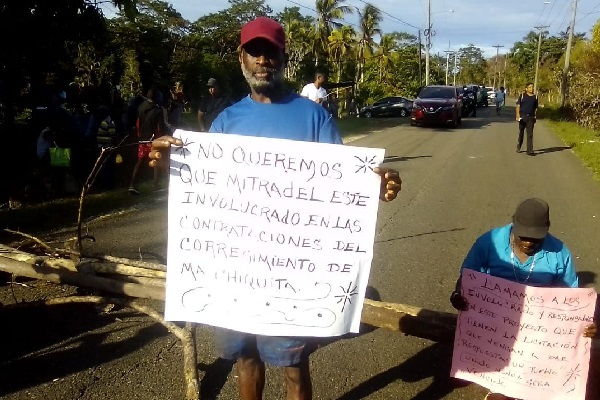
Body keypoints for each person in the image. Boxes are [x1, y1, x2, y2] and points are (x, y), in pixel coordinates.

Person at [147, 16, 402, 400]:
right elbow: (203, 187)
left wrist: (377, 185)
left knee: (294, 366)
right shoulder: (227, 121)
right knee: (245, 360)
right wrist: (170, 164)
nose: (263, 60)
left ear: (284, 59)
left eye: (271, 52)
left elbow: (343, 186)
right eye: (255, 52)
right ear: (242, 60)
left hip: (292, 271)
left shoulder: (314, 116)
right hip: (235, 270)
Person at [450, 197, 597, 400]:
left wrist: (585, 323)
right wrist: (459, 294)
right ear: (513, 225)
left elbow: (572, 299)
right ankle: (500, 384)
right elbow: (467, 276)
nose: (528, 242)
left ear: (547, 230)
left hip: (539, 330)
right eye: (523, 237)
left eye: (536, 238)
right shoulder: (489, 242)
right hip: (495, 327)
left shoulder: (559, 252)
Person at [128, 87, 171, 194]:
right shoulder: (158, 110)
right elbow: (160, 127)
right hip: (154, 140)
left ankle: (132, 185)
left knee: (140, 161)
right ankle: (156, 185)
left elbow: (138, 122)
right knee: (157, 159)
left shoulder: (141, 107)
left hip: (142, 139)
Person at [515, 83, 538, 156]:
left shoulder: (535, 97)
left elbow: (535, 108)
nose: (531, 89)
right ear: (526, 88)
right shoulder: (522, 96)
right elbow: (518, 106)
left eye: (532, 87)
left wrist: (535, 116)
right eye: (530, 87)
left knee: (530, 134)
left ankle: (530, 150)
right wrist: (517, 115)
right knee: (521, 132)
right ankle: (519, 146)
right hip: (522, 117)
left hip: (530, 117)